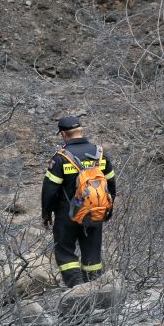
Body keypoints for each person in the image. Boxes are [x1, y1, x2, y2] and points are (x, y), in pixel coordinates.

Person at [41, 116, 117, 287]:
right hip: (95, 211)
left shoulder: (60, 158)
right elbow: (111, 184)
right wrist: (107, 209)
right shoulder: (100, 154)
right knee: (92, 254)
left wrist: (46, 214)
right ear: (81, 131)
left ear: (63, 135)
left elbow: (49, 190)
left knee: (65, 252)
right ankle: (95, 288)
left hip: (66, 215)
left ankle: (77, 288)